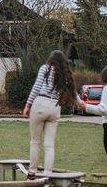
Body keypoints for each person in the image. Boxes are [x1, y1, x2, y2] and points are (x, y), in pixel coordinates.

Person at [23, 50, 81, 178]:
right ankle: (48, 174)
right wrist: (80, 102)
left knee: (35, 142)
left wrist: (28, 105)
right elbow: (73, 91)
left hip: (40, 104)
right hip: (55, 107)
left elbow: (36, 87)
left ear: (50, 59)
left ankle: (32, 173)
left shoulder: (45, 68)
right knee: (49, 144)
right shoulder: (65, 74)